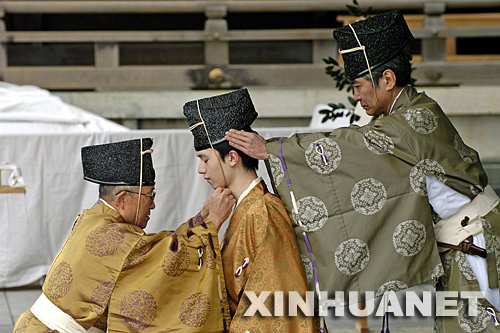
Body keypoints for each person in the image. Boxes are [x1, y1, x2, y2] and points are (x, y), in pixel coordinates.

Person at [225, 10, 500, 332]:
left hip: (475, 242)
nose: (356, 96)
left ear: (387, 79)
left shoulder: (415, 120)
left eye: (358, 86)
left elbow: (353, 145)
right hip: (458, 241)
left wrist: (273, 150)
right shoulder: (403, 116)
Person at [14, 138, 235, 332]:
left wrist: (202, 217)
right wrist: (213, 222)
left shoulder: (94, 218)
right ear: (122, 199)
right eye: (149, 196)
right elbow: (170, 258)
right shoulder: (114, 236)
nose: (153, 205)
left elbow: (158, 247)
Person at [184, 89, 318, 332]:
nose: (201, 170)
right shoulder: (246, 209)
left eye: (205, 159)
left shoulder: (264, 211)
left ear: (232, 158)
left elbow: (273, 302)